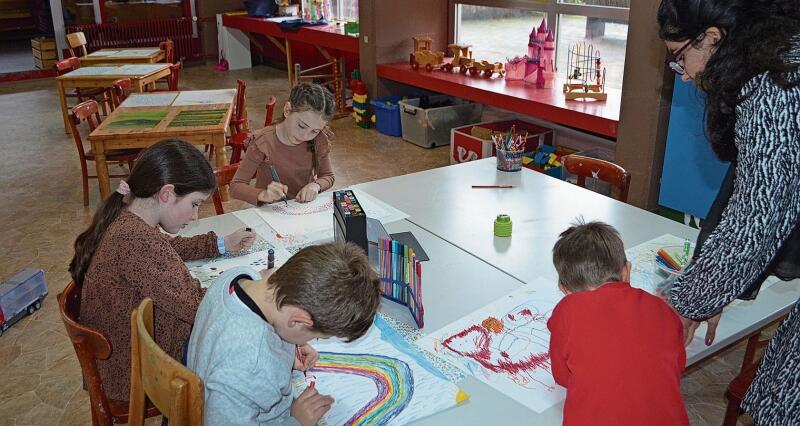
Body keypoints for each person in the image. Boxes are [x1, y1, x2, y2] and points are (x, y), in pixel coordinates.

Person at [658, 0, 800, 422]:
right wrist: (711, 287)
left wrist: (688, 301)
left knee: (783, 401)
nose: (683, 75)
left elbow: (758, 219)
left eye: (679, 58)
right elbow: (744, 193)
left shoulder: (774, 81)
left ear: (713, 38)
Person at [68, 139, 256, 401]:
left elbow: (168, 247)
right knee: (245, 352)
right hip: (135, 371)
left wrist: (221, 244)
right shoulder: (135, 240)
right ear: (166, 194)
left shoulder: (129, 217)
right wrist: (253, 289)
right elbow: (199, 307)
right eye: (194, 204)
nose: (194, 216)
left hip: (132, 352)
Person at [187, 242, 381, 426]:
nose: (311, 341)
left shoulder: (237, 277)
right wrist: (297, 421)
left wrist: (288, 345)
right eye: (316, 336)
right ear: (298, 321)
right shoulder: (250, 364)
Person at [547, 220, 688, 426]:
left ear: (564, 288)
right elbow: (676, 367)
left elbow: (562, 378)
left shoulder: (566, 312)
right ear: (626, 271)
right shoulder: (664, 310)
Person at [230, 82, 336, 205]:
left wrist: (315, 186)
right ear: (287, 110)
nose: (305, 136)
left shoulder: (319, 139)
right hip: (268, 208)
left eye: (315, 131)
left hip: (301, 207)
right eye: (301, 126)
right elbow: (235, 187)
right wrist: (263, 194)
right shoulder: (262, 142)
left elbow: (328, 176)